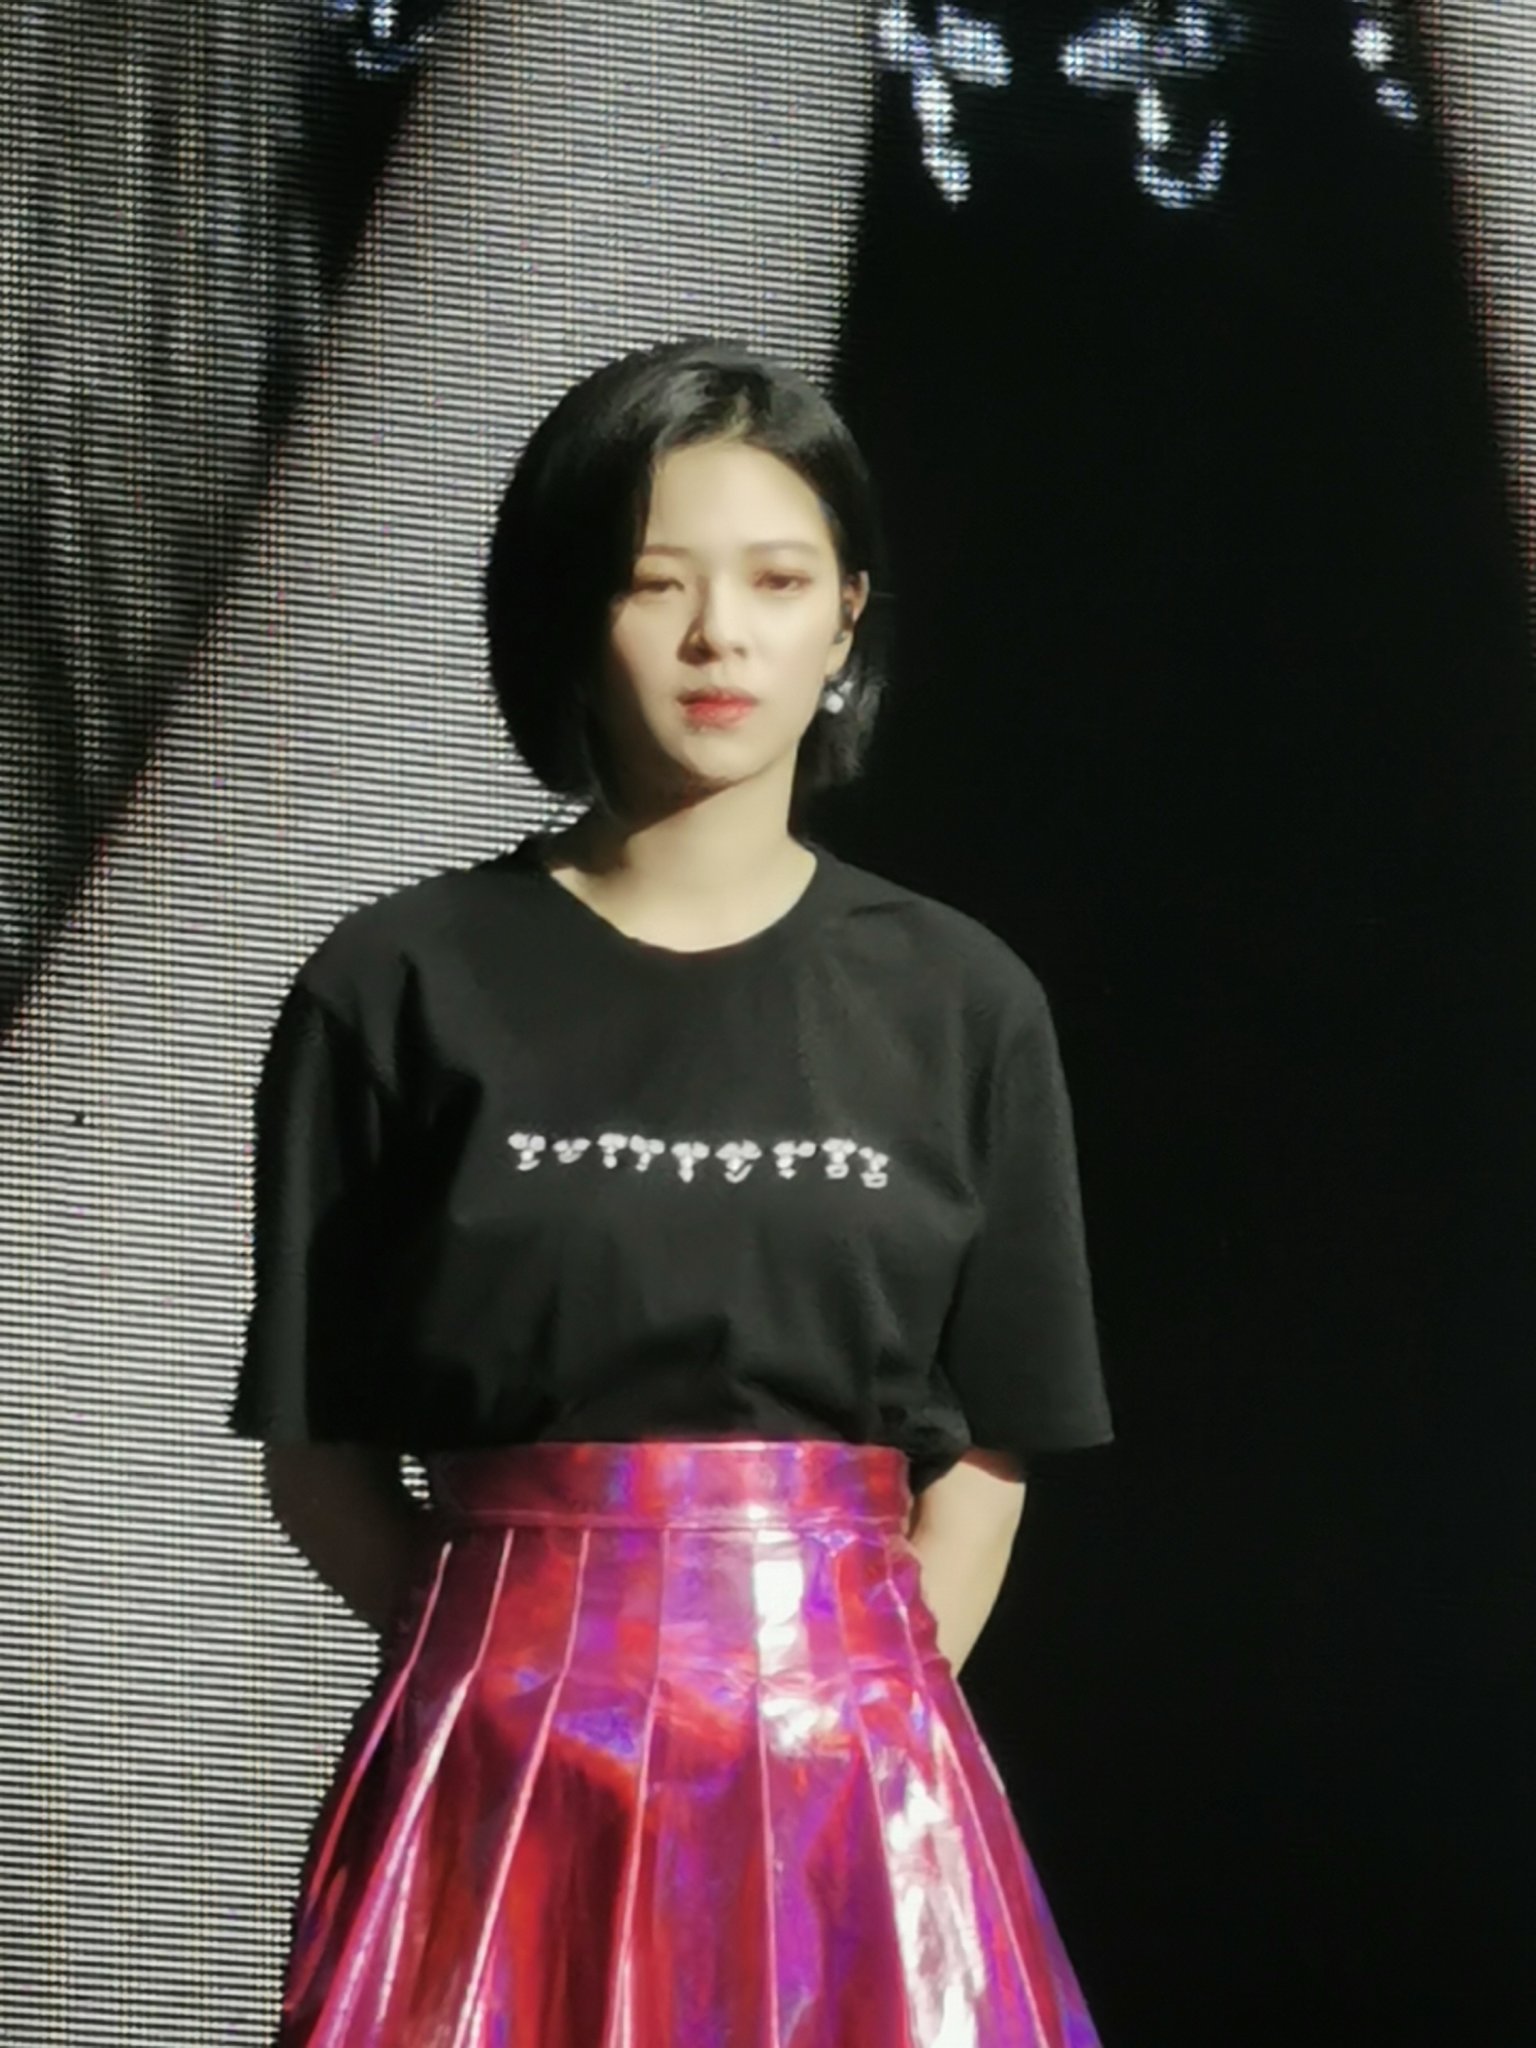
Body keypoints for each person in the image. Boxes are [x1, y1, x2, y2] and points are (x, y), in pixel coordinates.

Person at [227, 337, 1115, 2044]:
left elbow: (993, 1452)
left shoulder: (959, 999)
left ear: (846, 620)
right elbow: (319, 1458)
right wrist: (512, 1661)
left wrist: (841, 1707)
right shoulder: (394, 985)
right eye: (656, 583)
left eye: (777, 581)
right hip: (505, 1775)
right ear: (572, 613)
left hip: (859, 1786)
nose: (722, 637)